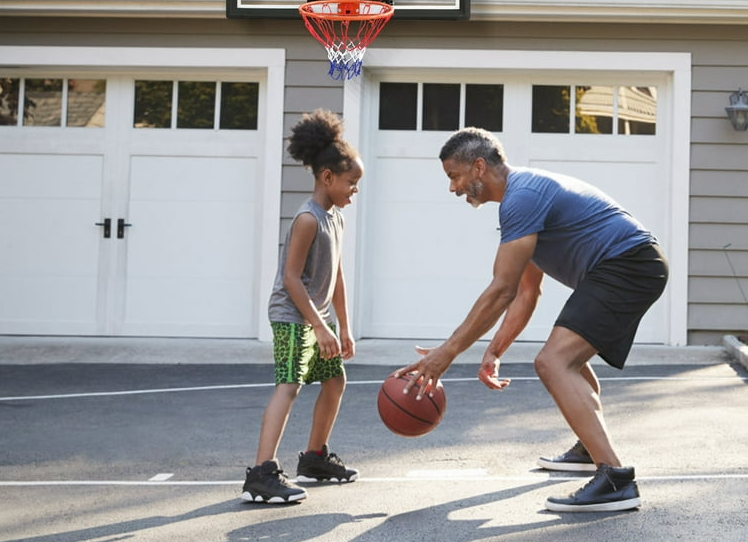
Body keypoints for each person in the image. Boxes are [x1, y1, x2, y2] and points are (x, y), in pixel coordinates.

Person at [397, 127, 669, 512]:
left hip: (629, 264)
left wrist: (447, 353)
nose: (453, 188)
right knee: (567, 359)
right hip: (623, 265)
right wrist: (494, 351)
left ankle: (614, 478)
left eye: (454, 176)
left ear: (478, 168)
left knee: (554, 361)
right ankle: (591, 448)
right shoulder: (523, 201)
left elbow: (500, 290)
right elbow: (526, 292)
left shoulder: (521, 198)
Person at [241, 109, 362, 503]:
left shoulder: (335, 218)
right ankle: (261, 472)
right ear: (327, 177)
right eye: (351, 182)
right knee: (289, 385)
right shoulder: (308, 219)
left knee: (335, 379)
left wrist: (342, 326)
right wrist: (320, 326)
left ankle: (313, 457)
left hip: (317, 318)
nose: (354, 190)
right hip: (293, 316)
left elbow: (336, 275)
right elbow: (292, 279)